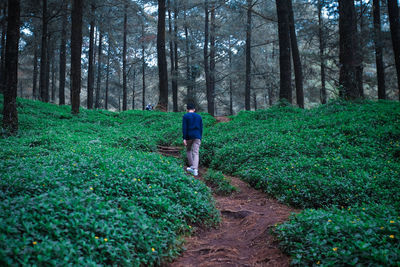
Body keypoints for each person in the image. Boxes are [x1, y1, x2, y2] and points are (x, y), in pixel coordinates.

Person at [182, 103, 203, 176]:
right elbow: (201, 128)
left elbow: (184, 128)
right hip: (197, 136)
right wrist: (200, 137)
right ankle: (195, 169)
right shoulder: (199, 116)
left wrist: (184, 138)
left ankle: (192, 166)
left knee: (188, 150)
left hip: (189, 136)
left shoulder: (185, 116)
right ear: (194, 109)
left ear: (187, 110)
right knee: (196, 153)